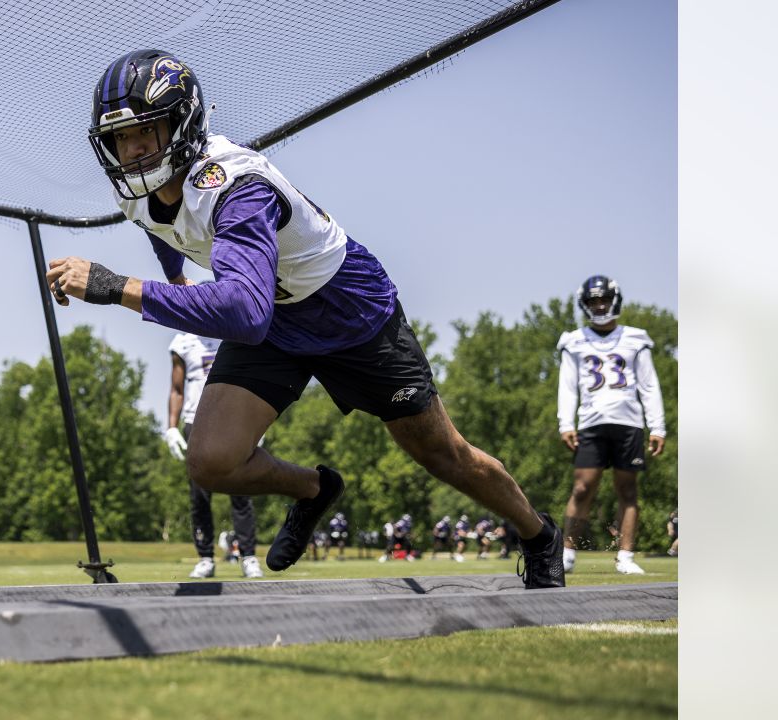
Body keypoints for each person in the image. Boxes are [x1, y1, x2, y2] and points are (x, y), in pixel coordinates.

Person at [47, 49, 564, 588]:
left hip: (348, 310)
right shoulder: (138, 191)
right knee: (212, 461)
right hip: (276, 318)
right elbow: (165, 230)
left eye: (145, 132)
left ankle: (537, 533)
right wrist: (175, 278)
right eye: (120, 137)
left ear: (182, 123)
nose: (130, 151)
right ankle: (314, 490)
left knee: (442, 454)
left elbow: (244, 313)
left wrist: (114, 287)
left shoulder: (235, 186)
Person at [557, 275, 667, 575]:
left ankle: (625, 556)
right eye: (594, 301)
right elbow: (567, 387)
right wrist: (565, 422)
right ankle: (566, 553)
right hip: (591, 422)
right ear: (585, 304)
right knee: (581, 488)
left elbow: (648, 385)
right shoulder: (574, 340)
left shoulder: (635, 338)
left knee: (628, 491)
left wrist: (658, 426)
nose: (600, 305)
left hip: (629, 422)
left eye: (604, 299)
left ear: (615, 300)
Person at [166, 331, 264, 579]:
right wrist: (170, 427)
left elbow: (251, 377)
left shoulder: (231, 330)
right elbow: (177, 388)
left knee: (241, 490)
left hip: (234, 419)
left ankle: (249, 556)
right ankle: (206, 558)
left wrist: (257, 421)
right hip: (196, 421)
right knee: (199, 494)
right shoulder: (182, 341)